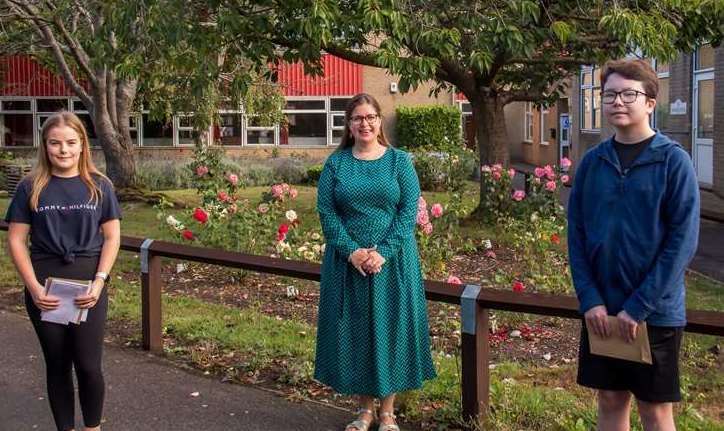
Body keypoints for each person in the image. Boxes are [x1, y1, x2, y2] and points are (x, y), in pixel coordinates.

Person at [568, 59, 700, 431]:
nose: (617, 102)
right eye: (609, 94)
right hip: (602, 310)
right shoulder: (593, 163)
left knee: (655, 409)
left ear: (650, 102)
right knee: (609, 400)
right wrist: (590, 298)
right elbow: (576, 235)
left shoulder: (673, 162)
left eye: (629, 94)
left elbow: (682, 242)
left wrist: (638, 307)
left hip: (654, 312)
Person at [314, 93, 436, 431]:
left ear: (379, 120)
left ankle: (388, 412)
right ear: (349, 125)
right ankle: (364, 410)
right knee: (356, 331)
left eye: (370, 117)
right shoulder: (336, 164)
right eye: (357, 118)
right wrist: (352, 251)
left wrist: (382, 251)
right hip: (347, 262)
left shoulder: (399, 162)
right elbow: (326, 212)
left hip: (393, 263)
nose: (364, 123)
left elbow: (408, 211)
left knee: (390, 329)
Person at [5, 111, 122, 431]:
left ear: (83, 145)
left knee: (88, 365)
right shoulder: (30, 187)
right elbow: (16, 240)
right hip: (45, 289)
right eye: (55, 143)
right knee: (57, 364)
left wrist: (99, 282)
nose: (64, 150)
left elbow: (112, 237)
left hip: (89, 287)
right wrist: (33, 288)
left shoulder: (100, 186)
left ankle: (92, 428)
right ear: (45, 146)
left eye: (71, 143)